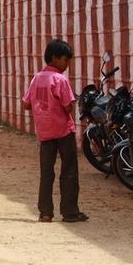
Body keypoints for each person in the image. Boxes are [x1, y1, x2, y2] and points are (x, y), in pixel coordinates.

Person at [22, 39, 87, 223]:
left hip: (44, 132)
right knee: (69, 171)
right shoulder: (60, 79)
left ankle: (45, 212)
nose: (67, 65)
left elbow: (26, 104)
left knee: (46, 172)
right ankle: (70, 212)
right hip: (63, 131)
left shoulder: (36, 79)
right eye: (65, 60)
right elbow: (67, 106)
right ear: (54, 58)